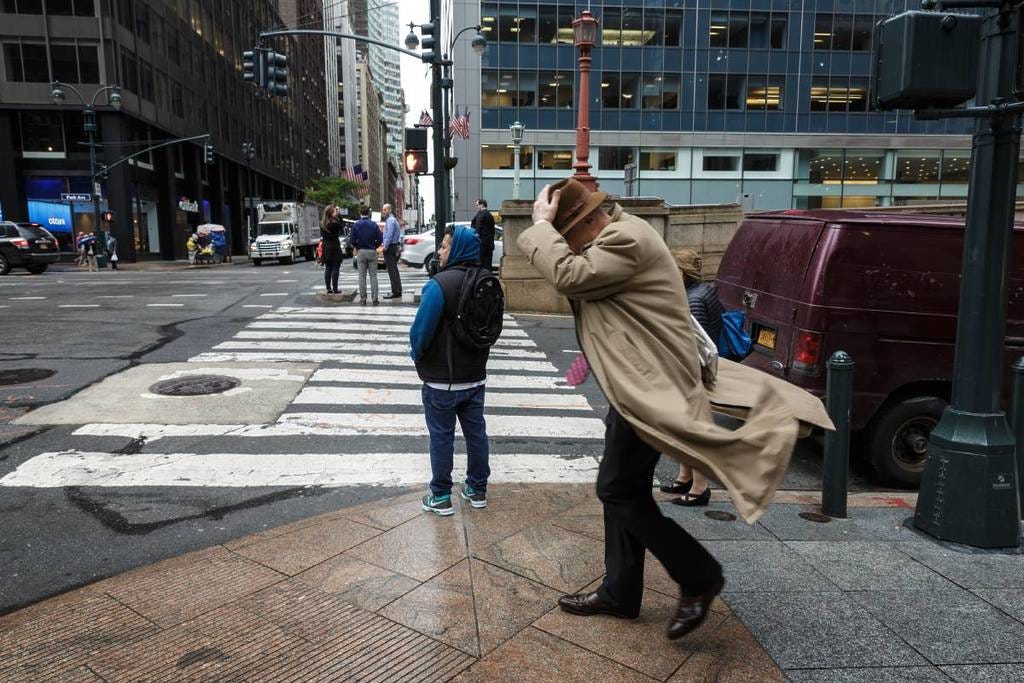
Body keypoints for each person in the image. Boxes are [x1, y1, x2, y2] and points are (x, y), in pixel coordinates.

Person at [519, 178, 800, 641]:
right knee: (625, 489)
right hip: (636, 385)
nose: (569, 247)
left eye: (568, 237)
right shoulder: (616, 237)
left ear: (587, 221)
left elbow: (569, 276)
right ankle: (621, 591)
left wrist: (540, 228)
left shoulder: (625, 238)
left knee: (616, 489)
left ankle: (699, 575)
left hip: (652, 388)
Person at [410, 225, 491, 516]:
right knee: (476, 434)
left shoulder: (439, 285)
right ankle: (477, 489)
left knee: (441, 437)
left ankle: (441, 495)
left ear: (456, 250)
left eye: (444, 246)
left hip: (441, 379)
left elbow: (421, 332)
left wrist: (418, 357)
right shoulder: (487, 281)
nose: (440, 251)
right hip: (475, 376)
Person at [659, 248, 726, 507]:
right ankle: (685, 477)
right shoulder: (702, 290)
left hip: (692, 374)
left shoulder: (693, 300)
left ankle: (700, 488)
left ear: (682, 271)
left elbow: (695, 346)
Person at [348, 205, 382, 305]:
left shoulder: (356, 225)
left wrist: (357, 246)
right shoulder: (374, 225)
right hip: (372, 251)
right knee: (373, 276)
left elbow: (352, 240)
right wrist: (375, 246)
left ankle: (363, 299)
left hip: (361, 251)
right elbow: (380, 239)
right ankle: (375, 299)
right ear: (369, 213)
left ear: (360, 213)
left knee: (362, 276)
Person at [381, 203, 403, 299]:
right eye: (383, 210)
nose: (383, 211)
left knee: (392, 270)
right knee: (394, 269)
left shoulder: (390, 220)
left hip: (390, 247)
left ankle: (395, 291)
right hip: (393, 246)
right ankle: (398, 290)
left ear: (390, 210)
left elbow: (389, 235)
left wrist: (385, 246)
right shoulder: (393, 220)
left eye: (385, 209)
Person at [321, 205, 344, 294]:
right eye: (335, 211)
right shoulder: (335, 223)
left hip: (326, 247)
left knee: (328, 268)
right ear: (331, 213)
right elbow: (341, 226)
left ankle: (328, 288)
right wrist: (339, 216)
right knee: (335, 268)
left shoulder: (323, 224)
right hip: (334, 247)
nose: (336, 213)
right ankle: (335, 288)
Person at [471, 199, 496, 270]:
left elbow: (478, 229)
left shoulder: (480, 214)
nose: (476, 207)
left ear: (482, 205)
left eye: (477, 205)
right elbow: (492, 230)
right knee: (488, 264)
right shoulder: (490, 215)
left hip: (481, 243)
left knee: (479, 264)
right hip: (489, 244)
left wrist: (475, 237)